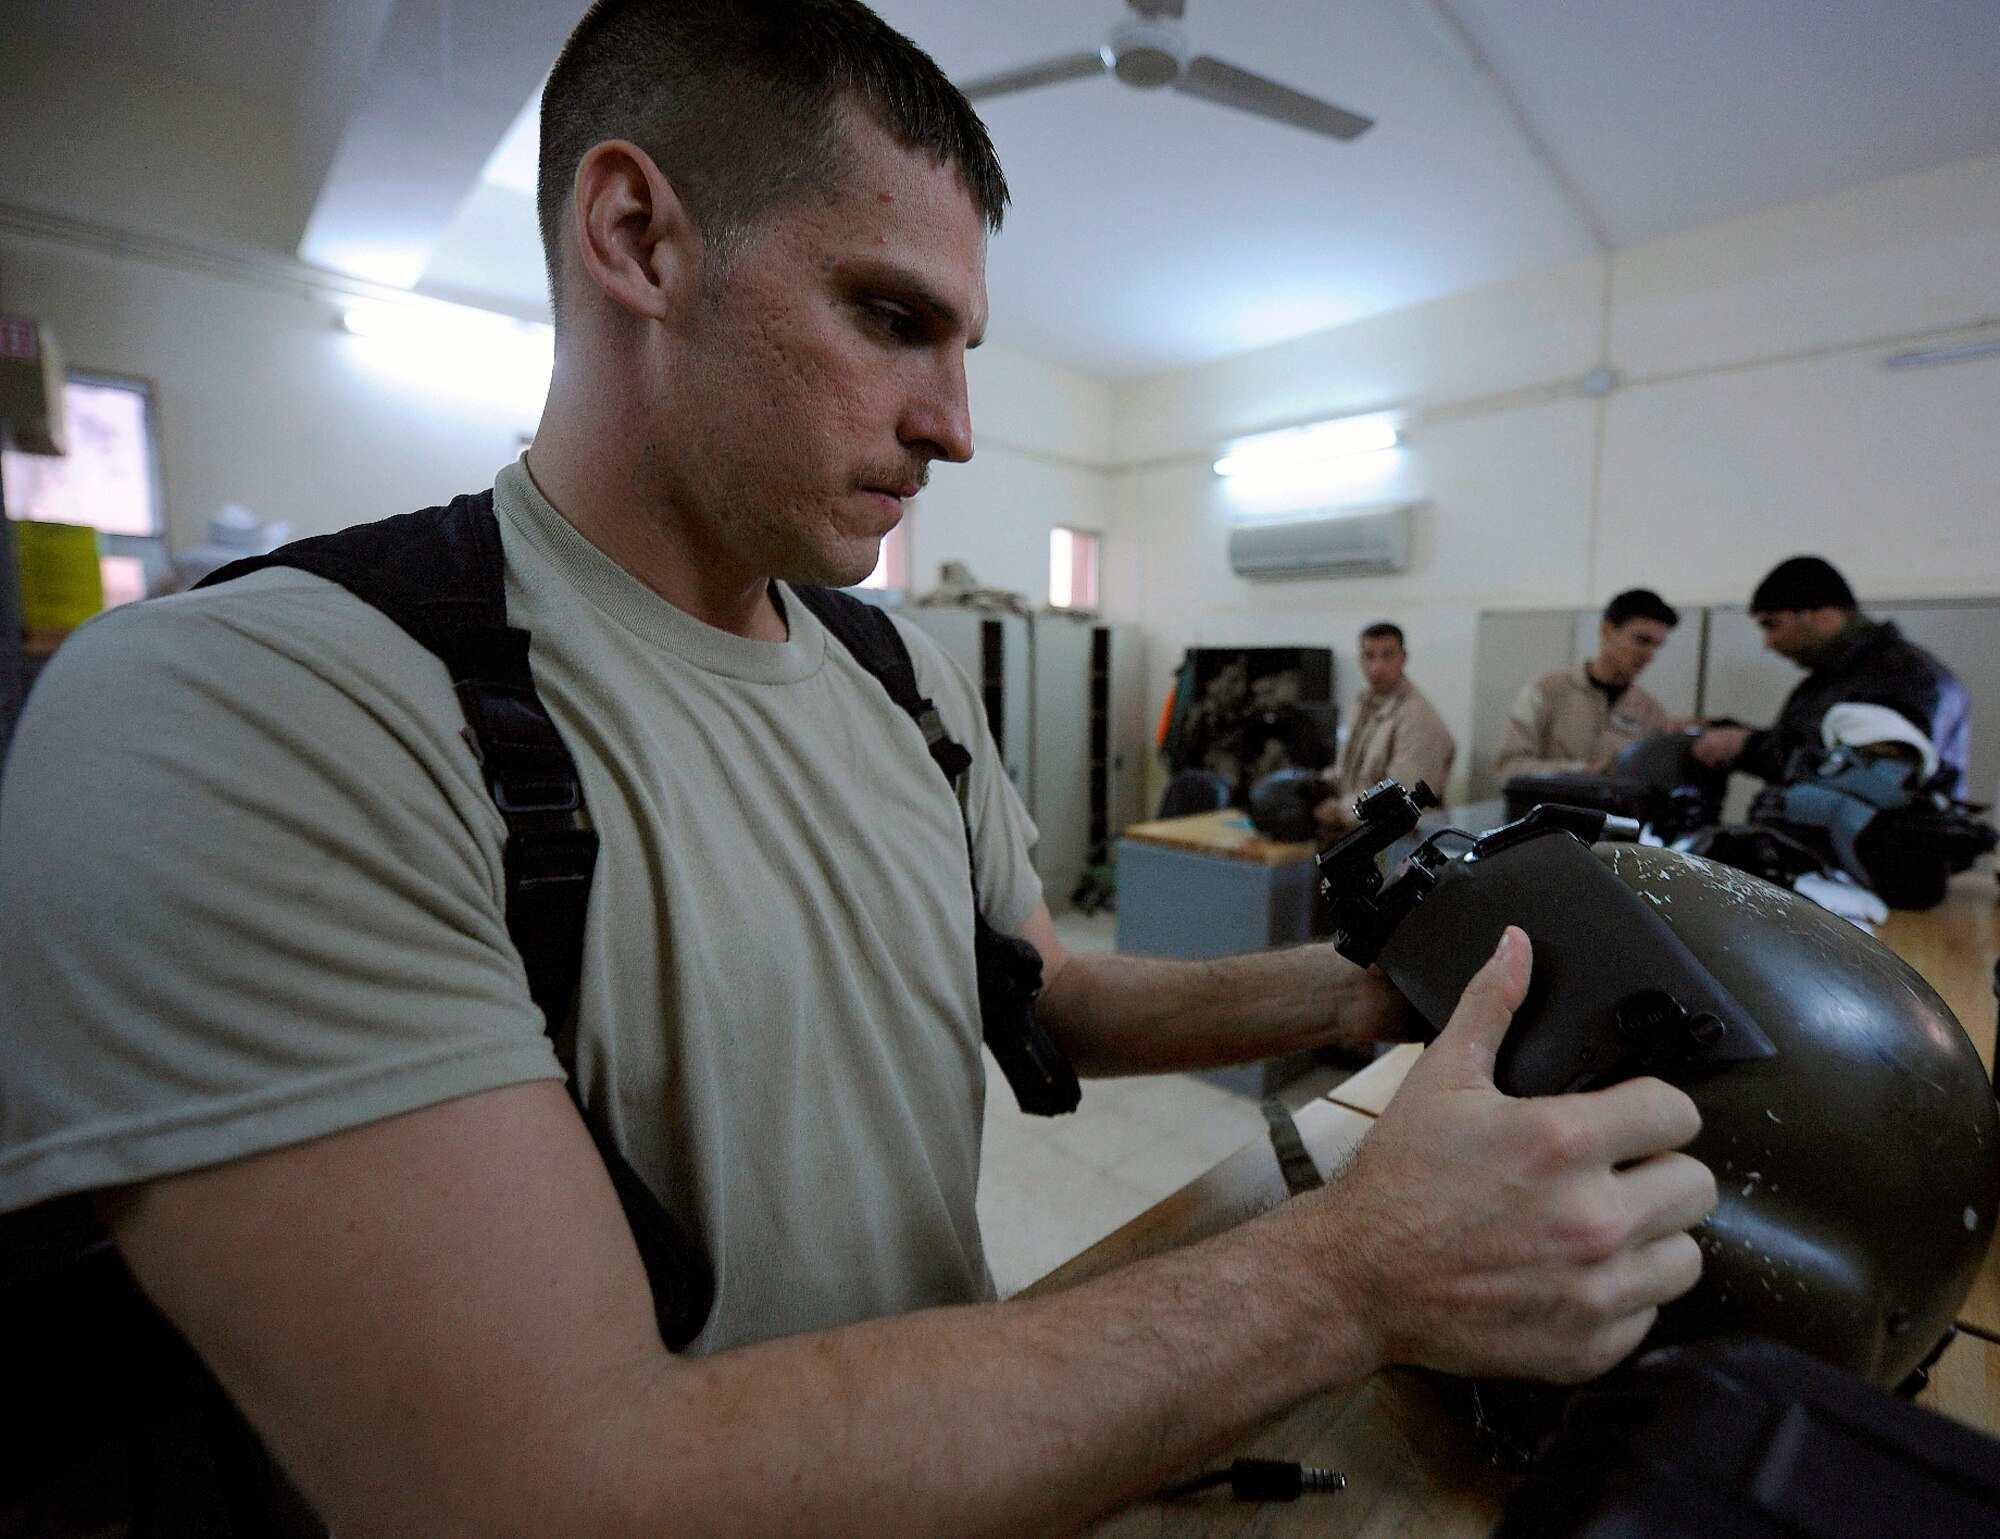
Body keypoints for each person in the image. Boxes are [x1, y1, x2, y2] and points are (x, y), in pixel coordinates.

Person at [0, 3, 1716, 1532]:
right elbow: (552, 1478)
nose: (954, 422)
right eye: (892, 317)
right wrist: (1352, 1275)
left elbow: (1028, 988)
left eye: (964, 344)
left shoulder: (900, 673)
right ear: (636, 236)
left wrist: (1366, 990)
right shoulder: (265, 704)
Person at [1693, 556, 1971, 798]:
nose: (1768, 642)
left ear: (1822, 615)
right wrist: (1725, 731)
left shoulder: (1905, 675)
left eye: (1772, 624)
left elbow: (1864, 773)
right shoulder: (1839, 675)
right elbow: (1808, 743)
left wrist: (1747, 746)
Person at [1496, 589, 1681, 779]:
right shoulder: (1545, 691)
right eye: (1642, 640)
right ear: (1607, 631)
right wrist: (1586, 772)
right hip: (1548, 808)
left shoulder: (1651, 714)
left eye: (1657, 645)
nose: (1649, 655)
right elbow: (1509, 768)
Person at [1313, 622, 1456, 832]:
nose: (1377, 667)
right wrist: (1315, 785)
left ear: (1403, 657)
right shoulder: (1364, 703)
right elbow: (1349, 773)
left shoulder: (1417, 718)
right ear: (1360, 659)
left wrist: (1340, 812)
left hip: (1402, 842)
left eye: (1387, 655)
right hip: (1364, 832)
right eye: (1369, 656)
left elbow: (1400, 796)